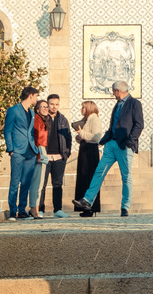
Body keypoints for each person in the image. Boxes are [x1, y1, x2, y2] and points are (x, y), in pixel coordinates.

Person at [72, 80, 143, 217]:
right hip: (111, 145)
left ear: (118, 91)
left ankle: (125, 206)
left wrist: (130, 142)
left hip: (124, 146)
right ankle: (87, 200)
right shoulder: (117, 105)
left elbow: (139, 125)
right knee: (99, 172)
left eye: (113, 92)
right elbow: (114, 125)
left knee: (126, 176)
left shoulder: (134, 104)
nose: (113, 95)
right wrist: (106, 140)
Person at [4, 86, 39, 220]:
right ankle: (13, 212)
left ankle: (22, 211)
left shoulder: (31, 112)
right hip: (17, 151)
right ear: (30, 95)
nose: (37, 99)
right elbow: (7, 130)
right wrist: (10, 149)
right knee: (15, 182)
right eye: (36, 96)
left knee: (26, 183)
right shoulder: (13, 110)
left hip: (30, 151)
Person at [38, 94, 72, 218]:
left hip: (59, 157)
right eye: (52, 104)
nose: (54, 107)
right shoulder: (41, 118)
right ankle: (40, 209)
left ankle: (58, 210)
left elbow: (68, 137)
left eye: (56, 104)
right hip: (45, 156)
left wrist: (66, 153)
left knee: (57, 184)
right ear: (47, 104)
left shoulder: (63, 119)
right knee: (42, 185)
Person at [72, 100, 103, 216]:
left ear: (89, 108)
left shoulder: (94, 119)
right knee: (83, 177)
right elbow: (85, 135)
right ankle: (84, 208)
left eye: (83, 108)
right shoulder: (87, 120)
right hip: (84, 150)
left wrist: (82, 133)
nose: (81, 110)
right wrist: (79, 136)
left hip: (90, 151)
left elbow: (97, 137)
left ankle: (90, 207)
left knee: (88, 177)